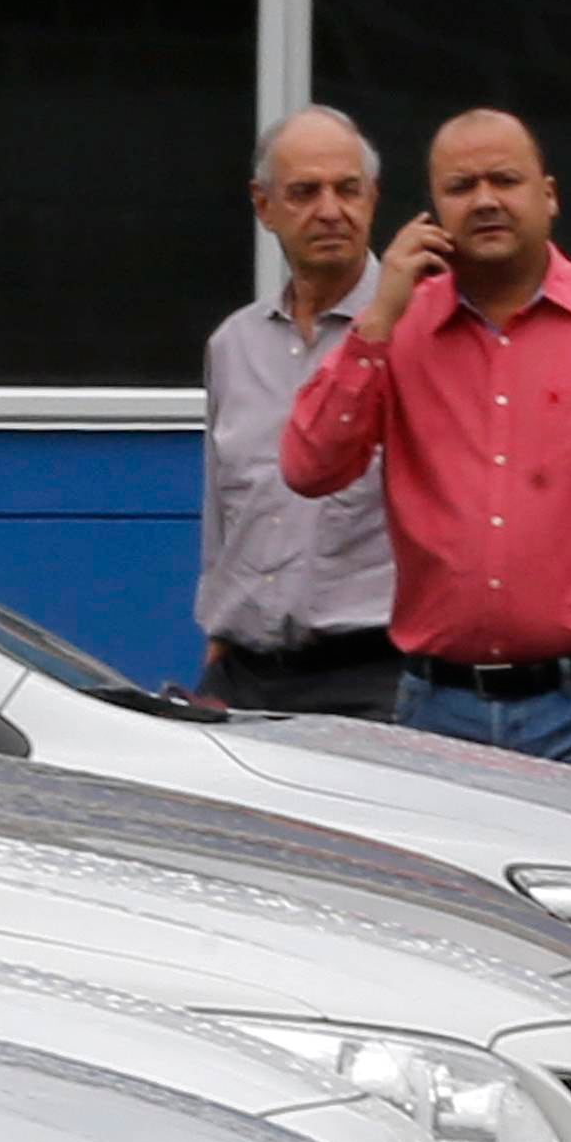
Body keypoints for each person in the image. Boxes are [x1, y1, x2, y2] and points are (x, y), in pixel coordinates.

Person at [284, 108, 571, 782]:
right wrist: (379, 316)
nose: (485, 201)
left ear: (549, 195)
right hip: (440, 709)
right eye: (461, 187)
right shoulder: (397, 329)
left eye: (505, 180)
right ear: (432, 211)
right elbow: (309, 468)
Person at [199, 106, 402, 715]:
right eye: (305, 192)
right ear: (264, 206)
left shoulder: (421, 333)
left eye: (348, 189)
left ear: (374, 198)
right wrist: (219, 632)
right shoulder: (233, 345)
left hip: (376, 678)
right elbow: (224, 508)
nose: (330, 211)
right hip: (242, 675)